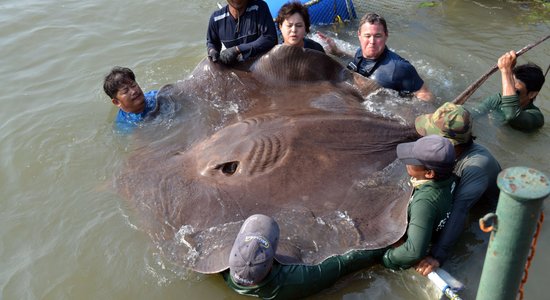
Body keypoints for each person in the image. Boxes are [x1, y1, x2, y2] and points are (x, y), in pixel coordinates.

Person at [412, 102, 502, 276]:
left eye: (432, 136)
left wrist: (437, 256)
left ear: (451, 144)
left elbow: (460, 212)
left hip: (487, 214)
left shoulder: (476, 167)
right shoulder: (450, 154)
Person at [222, 214, 386, 299]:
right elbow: (346, 263)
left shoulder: (219, 269)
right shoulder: (300, 278)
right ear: (271, 265)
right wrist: (385, 246)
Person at [318, 13, 434, 101]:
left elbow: (426, 95)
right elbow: (359, 62)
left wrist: (403, 110)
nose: (372, 41)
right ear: (359, 35)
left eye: (377, 36)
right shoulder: (360, 52)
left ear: (386, 36)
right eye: (367, 36)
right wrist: (337, 52)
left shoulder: (399, 68)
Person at [382, 135, 455, 271]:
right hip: (432, 224)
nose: (407, 163)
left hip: (411, 241)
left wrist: (388, 259)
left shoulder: (424, 202)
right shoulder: (451, 177)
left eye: (411, 161)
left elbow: (413, 252)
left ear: (429, 174)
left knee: (349, 258)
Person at [472, 50, 546, 132]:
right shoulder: (497, 100)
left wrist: (506, 71)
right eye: (508, 86)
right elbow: (472, 116)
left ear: (532, 94)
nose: (507, 93)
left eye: (515, 91)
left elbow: (512, 116)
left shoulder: (536, 117)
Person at [206, 0, 278, 65]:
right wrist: (212, 50)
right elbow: (212, 42)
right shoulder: (216, 19)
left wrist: (238, 49)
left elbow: (270, 38)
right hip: (234, 66)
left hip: (259, 64)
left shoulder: (259, 7)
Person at [103, 66, 158, 131]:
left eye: (133, 85)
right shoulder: (124, 124)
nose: (134, 91)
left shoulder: (156, 96)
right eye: (125, 91)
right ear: (117, 102)